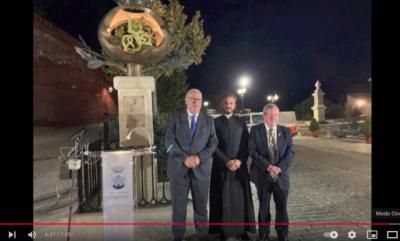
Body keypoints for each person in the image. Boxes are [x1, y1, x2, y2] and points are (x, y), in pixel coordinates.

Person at [165, 88, 219, 241]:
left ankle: (202, 234)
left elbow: (213, 142)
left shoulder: (209, 120)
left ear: (202, 101)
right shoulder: (175, 118)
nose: (196, 102)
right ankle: (178, 236)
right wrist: (184, 158)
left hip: (201, 169)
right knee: (178, 207)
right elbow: (168, 143)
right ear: (186, 100)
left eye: (199, 99)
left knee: (201, 205)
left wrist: (199, 158)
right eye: (192, 98)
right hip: (178, 169)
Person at [209, 94, 256, 241]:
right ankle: (222, 230)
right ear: (222, 105)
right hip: (221, 168)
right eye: (226, 103)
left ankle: (242, 230)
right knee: (222, 198)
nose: (228, 105)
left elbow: (246, 144)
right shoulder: (215, 122)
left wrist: (240, 161)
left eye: (231, 103)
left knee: (240, 198)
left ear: (234, 105)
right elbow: (213, 145)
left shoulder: (241, 122)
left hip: (239, 168)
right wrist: (226, 161)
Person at [248, 104, 294, 241]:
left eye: (276, 115)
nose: (274, 118)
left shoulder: (285, 131)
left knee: (282, 206)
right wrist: (268, 167)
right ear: (264, 116)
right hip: (262, 175)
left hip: (281, 176)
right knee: (263, 206)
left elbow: (290, 152)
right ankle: (263, 232)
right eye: (271, 115)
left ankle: (282, 232)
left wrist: (279, 168)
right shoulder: (255, 130)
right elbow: (252, 151)